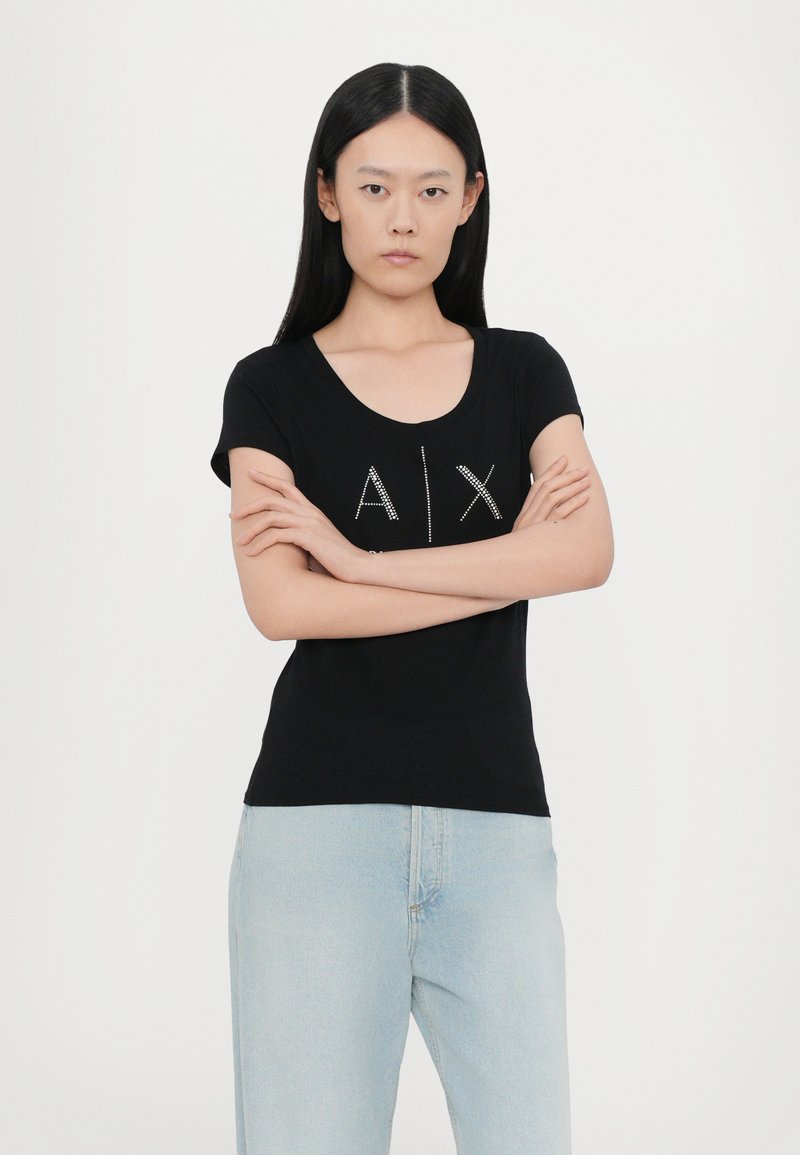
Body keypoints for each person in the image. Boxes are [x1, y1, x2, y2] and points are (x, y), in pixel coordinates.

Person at [210, 61, 613, 1155]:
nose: (404, 217)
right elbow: (280, 603)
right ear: (327, 193)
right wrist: (506, 560)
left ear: (470, 199)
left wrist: (352, 558)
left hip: (498, 833)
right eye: (375, 186)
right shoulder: (268, 387)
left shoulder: (525, 373)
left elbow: (583, 553)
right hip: (314, 834)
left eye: (433, 189)